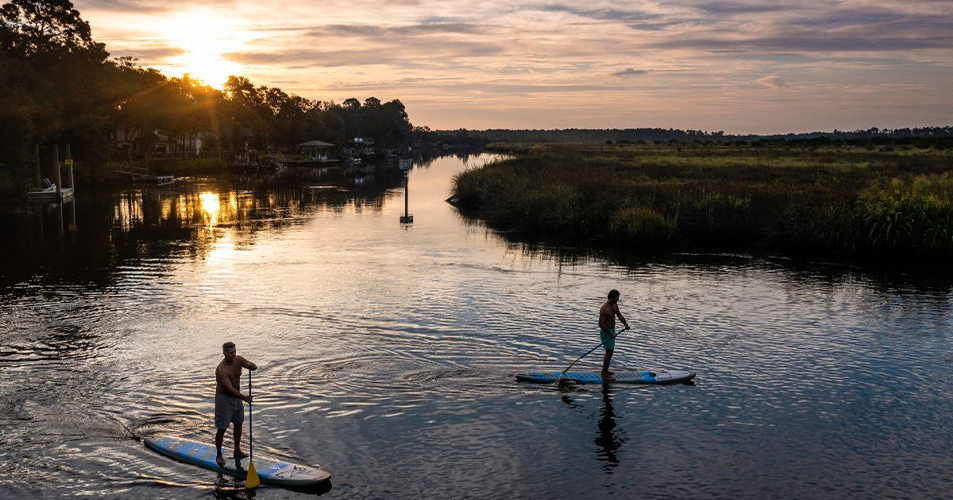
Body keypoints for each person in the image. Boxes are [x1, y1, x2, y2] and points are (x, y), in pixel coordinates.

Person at [214, 341, 257, 467]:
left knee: (238, 423)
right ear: (224, 353)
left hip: (237, 397)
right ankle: (219, 454)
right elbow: (229, 389)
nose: (233, 355)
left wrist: (251, 366)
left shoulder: (238, 360)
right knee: (222, 427)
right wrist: (244, 398)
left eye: (234, 352)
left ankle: (237, 449)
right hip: (224, 398)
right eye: (230, 353)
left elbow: (253, 366)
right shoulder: (221, 370)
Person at [598, 289, 629, 381]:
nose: (618, 300)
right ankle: (604, 374)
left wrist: (625, 324)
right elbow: (600, 324)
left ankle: (605, 370)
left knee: (609, 353)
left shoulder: (615, 306)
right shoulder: (604, 308)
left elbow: (619, 315)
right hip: (606, 332)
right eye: (616, 298)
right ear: (611, 298)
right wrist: (610, 333)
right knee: (609, 353)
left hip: (612, 331)